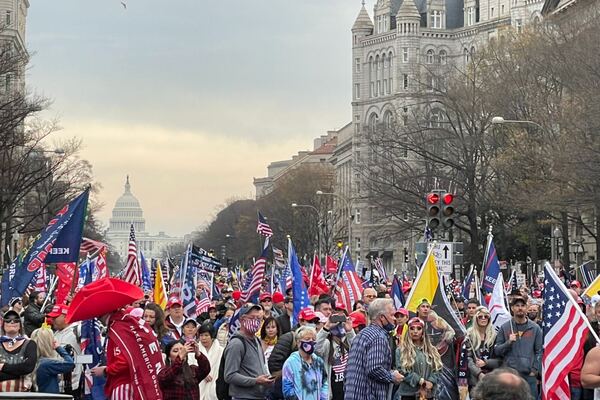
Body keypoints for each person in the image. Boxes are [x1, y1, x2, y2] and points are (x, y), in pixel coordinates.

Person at [68, 277, 165, 400]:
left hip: (124, 386)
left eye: (97, 313)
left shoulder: (118, 327)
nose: (97, 317)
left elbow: (123, 362)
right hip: (136, 384)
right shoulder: (127, 323)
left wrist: (105, 370)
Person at [345, 298, 404, 400]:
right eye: (392, 315)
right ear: (382, 317)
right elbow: (374, 369)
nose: (395, 319)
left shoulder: (361, 334)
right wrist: (392, 377)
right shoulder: (378, 337)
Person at [494, 295, 542, 398]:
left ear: (526, 308)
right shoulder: (505, 327)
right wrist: (508, 342)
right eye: (517, 305)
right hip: (510, 376)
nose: (520, 308)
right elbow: (497, 351)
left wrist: (535, 370)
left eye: (522, 305)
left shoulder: (535, 328)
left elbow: (539, 351)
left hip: (529, 377)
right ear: (512, 308)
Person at [269, 307, 321, 400]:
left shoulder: (315, 339)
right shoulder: (288, 337)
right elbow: (274, 363)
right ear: (301, 321)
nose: (312, 324)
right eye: (309, 321)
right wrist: (290, 374)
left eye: (314, 321)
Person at [223, 304, 273, 400]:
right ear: (242, 320)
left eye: (259, 318)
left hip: (259, 396)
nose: (256, 321)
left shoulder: (257, 340)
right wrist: (256, 381)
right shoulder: (237, 343)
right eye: (252, 318)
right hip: (243, 397)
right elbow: (229, 375)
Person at [394, 317, 442, 400]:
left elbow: (438, 369)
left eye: (419, 328)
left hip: (428, 394)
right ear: (408, 331)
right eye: (412, 328)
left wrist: (431, 381)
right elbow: (402, 370)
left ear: (423, 331)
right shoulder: (401, 350)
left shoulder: (432, 350)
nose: (415, 331)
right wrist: (421, 381)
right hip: (409, 394)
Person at [316, 311, 355, 400]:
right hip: (332, 393)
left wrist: (350, 331)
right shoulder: (326, 344)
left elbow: (358, 349)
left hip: (348, 392)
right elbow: (316, 348)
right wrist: (326, 327)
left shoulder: (346, 342)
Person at [282, 326, 328, 400]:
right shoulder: (290, 363)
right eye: (307, 339)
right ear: (298, 342)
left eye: (313, 339)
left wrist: (324, 398)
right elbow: (287, 389)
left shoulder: (319, 362)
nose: (311, 341)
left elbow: (324, 383)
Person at [49, 303, 82, 397]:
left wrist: (77, 361)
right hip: (57, 383)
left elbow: (89, 356)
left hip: (74, 383)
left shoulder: (78, 330)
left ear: (65, 316)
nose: (52, 320)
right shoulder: (55, 334)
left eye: (55, 317)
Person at [0, 309, 37, 391]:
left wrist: (3, 367)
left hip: (23, 394)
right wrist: (20, 374)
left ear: (20, 325)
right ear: (3, 324)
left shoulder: (30, 344)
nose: (12, 322)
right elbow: (24, 369)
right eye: (8, 320)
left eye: (16, 319)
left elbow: (28, 367)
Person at [30, 327, 75, 394]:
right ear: (48, 342)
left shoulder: (34, 361)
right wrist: (59, 348)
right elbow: (70, 364)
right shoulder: (46, 363)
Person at [465, 307, 500, 389]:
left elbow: (500, 359)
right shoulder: (469, 335)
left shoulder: (495, 336)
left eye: (486, 316)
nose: (483, 319)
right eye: (480, 317)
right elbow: (468, 358)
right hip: (475, 380)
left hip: (492, 378)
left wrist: (485, 363)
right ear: (476, 319)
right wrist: (479, 373)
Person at [198, 323, 223, 400]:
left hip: (215, 387)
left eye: (206, 335)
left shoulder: (221, 351)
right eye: (201, 335)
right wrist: (203, 374)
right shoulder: (194, 351)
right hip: (199, 386)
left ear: (212, 337)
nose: (203, 338)